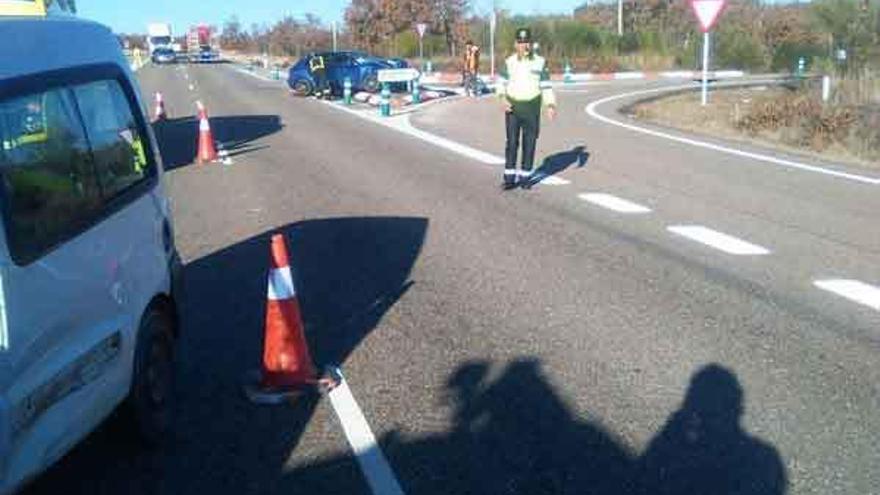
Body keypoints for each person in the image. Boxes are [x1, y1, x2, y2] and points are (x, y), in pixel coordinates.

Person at [496, 28, 556, 190]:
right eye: (521, 43)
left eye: (527, 42)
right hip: (513, 108)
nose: (524, 46)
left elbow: (546, 86)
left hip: (531, 108)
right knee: (512, 143)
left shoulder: (540, 62)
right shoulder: (509, 62)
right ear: (516, 44)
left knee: (529, 143)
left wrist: (550, 105)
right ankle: (509, 177)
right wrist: (502, 98)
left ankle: (525, 177)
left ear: (531, 44)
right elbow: (500, 83)